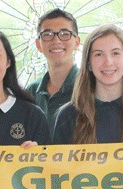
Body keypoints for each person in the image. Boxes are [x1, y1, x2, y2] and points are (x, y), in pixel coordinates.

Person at [52, 24, 123, 144]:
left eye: (115, 53)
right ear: (88, 64)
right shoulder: (67, 116)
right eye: (99, 54)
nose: (108, 62)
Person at [25, 8, 81, 136]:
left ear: (77, 42)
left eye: (65, 34)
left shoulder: (89, 87)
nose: (56, 41)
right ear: (39, 44)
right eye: (47, 35)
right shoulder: (31, 93)